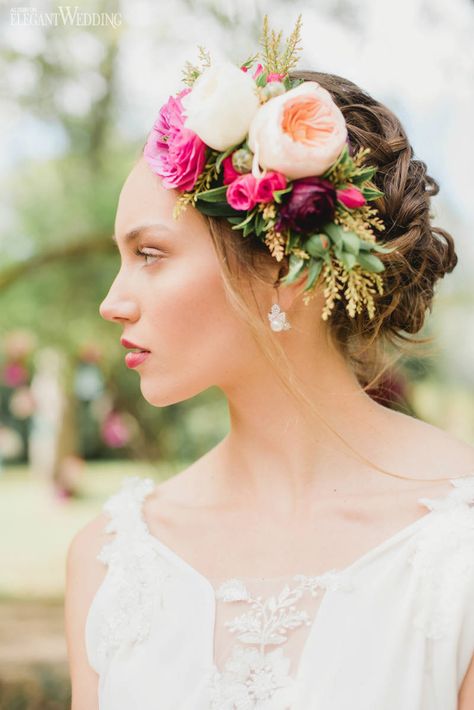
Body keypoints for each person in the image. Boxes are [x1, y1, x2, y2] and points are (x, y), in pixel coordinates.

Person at [64, 16, 474, 710]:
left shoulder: (456, 553)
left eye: (151, 254)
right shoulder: (109, 561)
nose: (113, 303)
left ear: (287, 271)